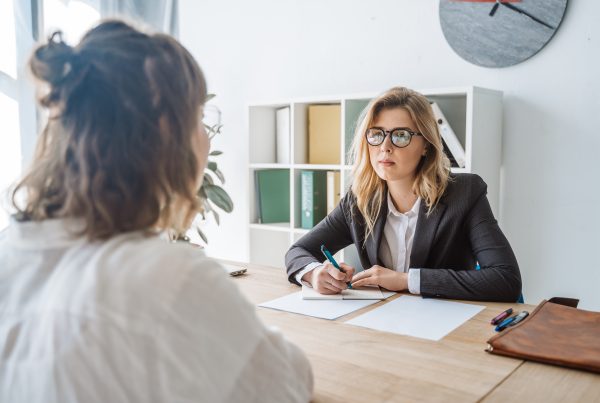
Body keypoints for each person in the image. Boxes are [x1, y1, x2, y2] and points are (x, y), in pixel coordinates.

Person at [0, 20, 312, 403]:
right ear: (165, 134)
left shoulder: (9, 250)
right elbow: (286, 384)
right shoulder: (170, 277)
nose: (206, 136)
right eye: (198, 117)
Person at [285, 87, 521, 302]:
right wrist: (315, 273)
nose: (385, 146)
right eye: (376, 134)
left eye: (400, 136)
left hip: (445, 327)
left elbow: (505, 279)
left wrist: (405, 280)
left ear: (426, 144)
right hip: (384, 322)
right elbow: (298, 251)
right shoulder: (359, 200)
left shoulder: (465, 193)